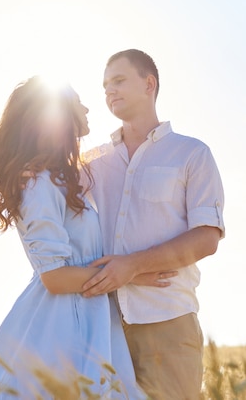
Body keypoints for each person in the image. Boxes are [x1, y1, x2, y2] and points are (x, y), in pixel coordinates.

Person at [0, 76, 159, 399]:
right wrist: (132, 273)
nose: (87, 108)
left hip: (92, 317)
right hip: (59, 325)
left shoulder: (61, 178)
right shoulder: (37, 183)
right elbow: (55, 278)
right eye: (77, 101)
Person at [80, 49, 225, 399]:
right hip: (105, 325)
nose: (108, 91)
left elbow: (207, 238)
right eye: (104, 85)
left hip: (169, 322)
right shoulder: (92, 162)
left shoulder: (192, 154)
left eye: (118, 80)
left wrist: (132, 266)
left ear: (149, 84)